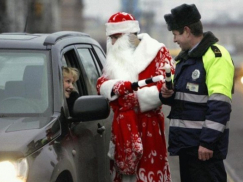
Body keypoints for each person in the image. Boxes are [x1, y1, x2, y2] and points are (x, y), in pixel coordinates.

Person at [96, 12, 174, 182]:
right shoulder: (115, 56)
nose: (112, 42)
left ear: (128, 36)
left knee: (149, 173)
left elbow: (167, 83)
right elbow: (101, 83)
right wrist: (115, 87)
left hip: (149, 126)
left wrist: (137, 98)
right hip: (122, 128)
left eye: (116, 37)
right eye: (111, 38)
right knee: (124, 175)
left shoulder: (157, 51)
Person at [160, 4, 234, 182]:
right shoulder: (186, 58)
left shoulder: (216, 56)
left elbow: (220, 103)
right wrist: (166, 95)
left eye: (175, 34)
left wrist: (207, 142)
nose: (175, 40)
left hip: (203, 149)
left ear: (186, 31)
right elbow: (185, 99)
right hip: (188, 146)